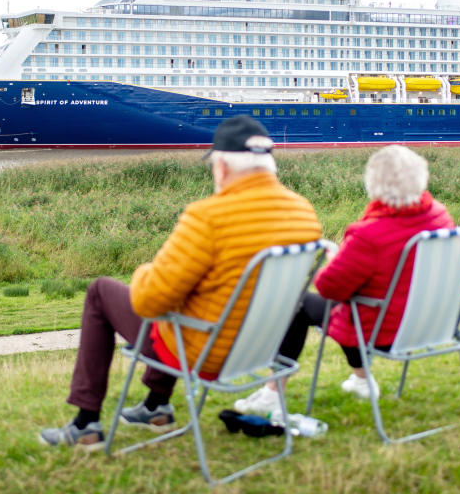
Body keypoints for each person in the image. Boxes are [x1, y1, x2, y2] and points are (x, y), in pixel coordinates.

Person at [40, 116, 322, 448]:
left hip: (205, 353)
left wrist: (145, 270)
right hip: (259, 350)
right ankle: (155, 406)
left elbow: (148, 302)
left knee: (102, 291)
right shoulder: (304, 211)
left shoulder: (208, 217)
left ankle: (85, 423)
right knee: (189, 299)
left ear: (222, 167)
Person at [234, 145, 454, 415]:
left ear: (373, 184)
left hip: (385, 330)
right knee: (355, 308)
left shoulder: (369, 233)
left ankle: (272, 393)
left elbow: (330, 288)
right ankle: (361, 381)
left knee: (298, 303)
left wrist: (331, 262)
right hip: (433, 324)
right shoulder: (439, 216)